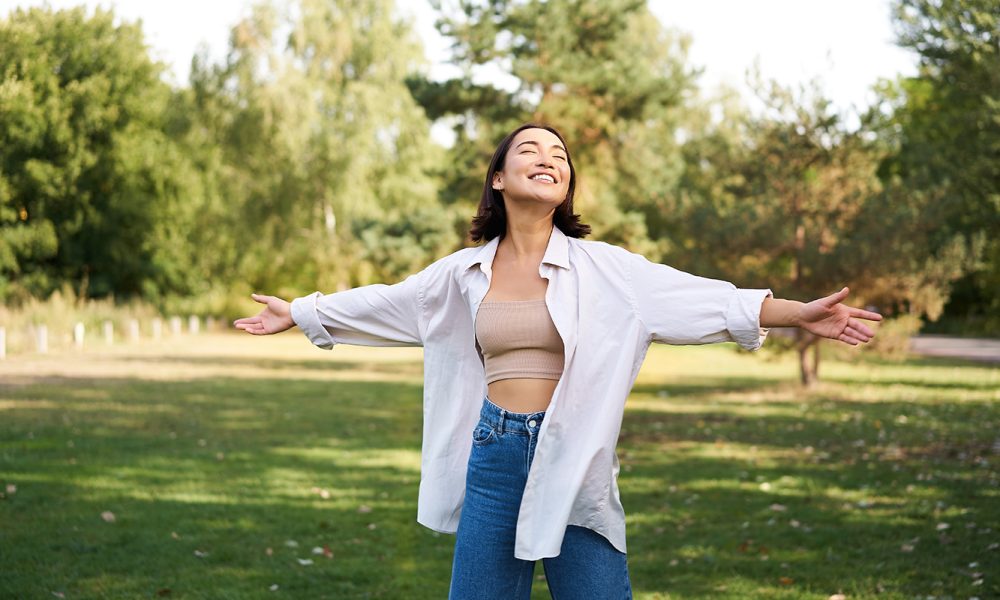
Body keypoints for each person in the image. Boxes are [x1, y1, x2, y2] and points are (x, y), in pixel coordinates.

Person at [234, 123, 882, 599]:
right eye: (530, 150)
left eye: (560, 155)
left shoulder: (608, 271)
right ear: (498, 178)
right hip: (493, 455)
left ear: (566, 183)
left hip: (577, 459)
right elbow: (388, 304)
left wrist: (798, 312)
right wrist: (301, 311)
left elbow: (702, 300)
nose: (549, 159)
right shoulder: (461, 274)